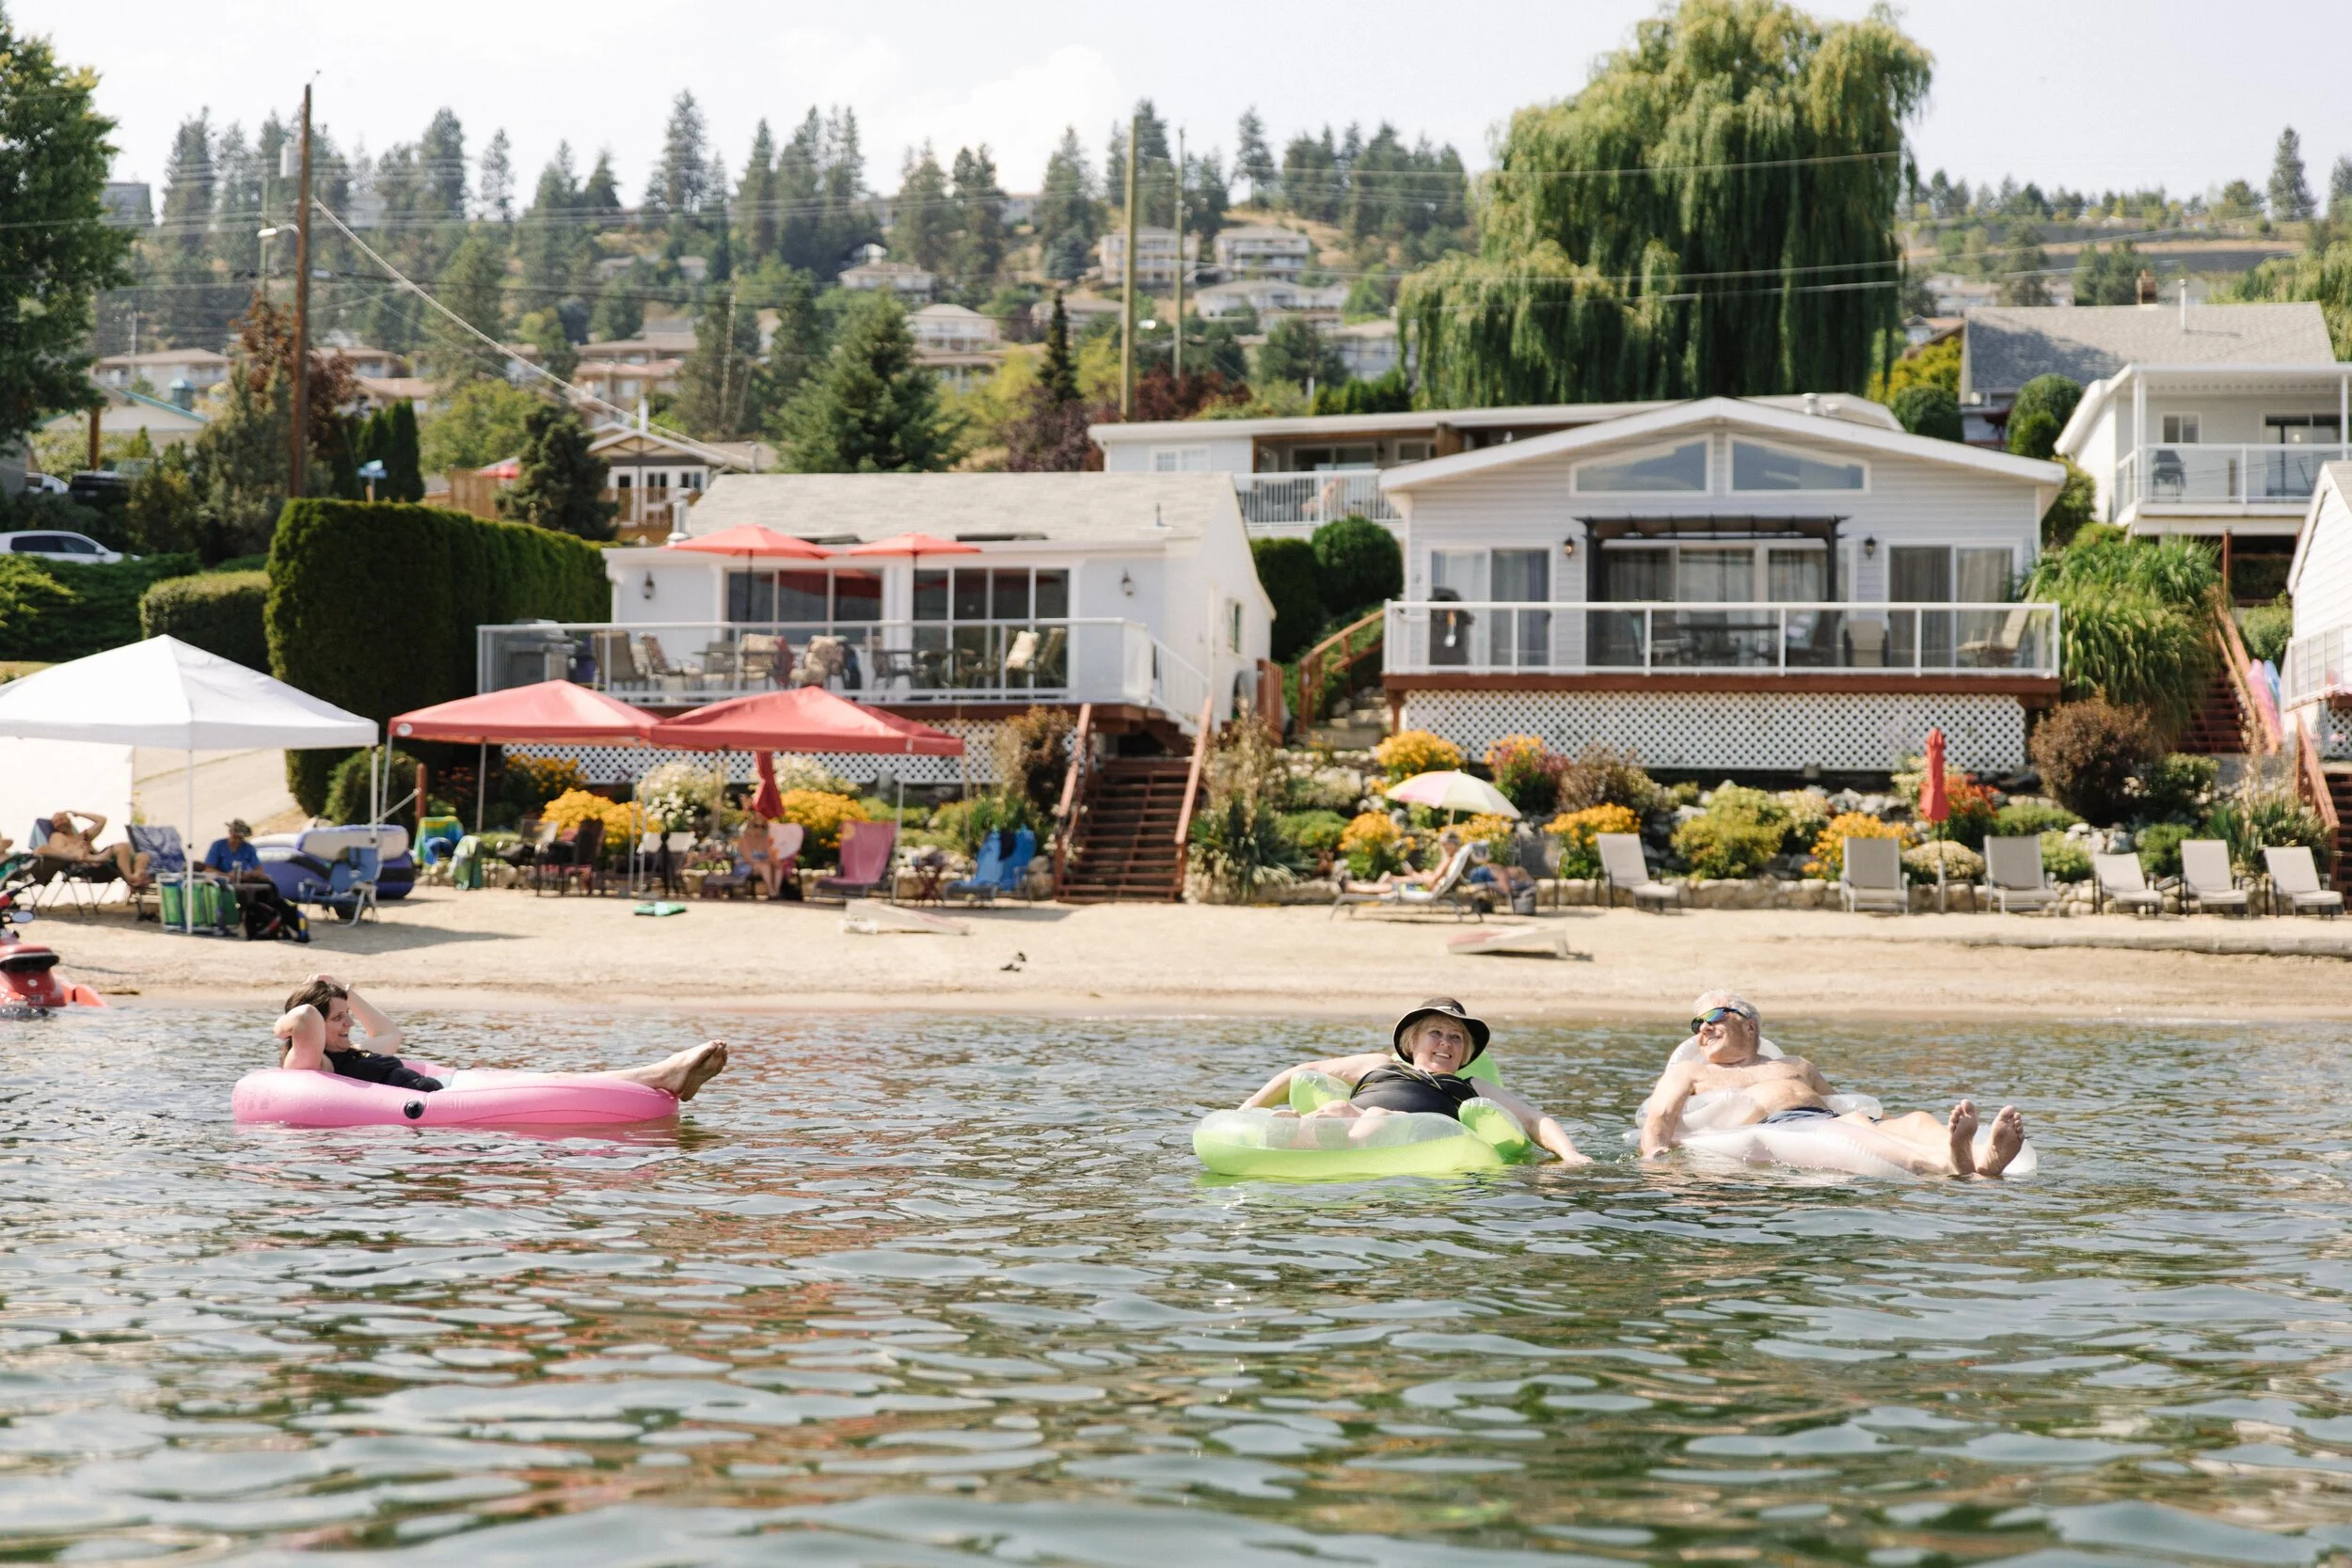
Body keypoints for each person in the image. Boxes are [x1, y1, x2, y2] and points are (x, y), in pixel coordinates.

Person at [1639, 990, 2026, 1178]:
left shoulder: (1795, 1064)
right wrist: (1655, 1158)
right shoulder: (1692, 1072)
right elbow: (1662, 1112)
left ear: (1750, 1025)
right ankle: (1955, 1166)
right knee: (1857, 1129)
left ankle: (1972, 1155)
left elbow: (1842, 1102)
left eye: (1715, 1015)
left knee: (1917, 1120)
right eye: (1697, 1024)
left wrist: (1893, 1122)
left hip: (1833, 1117)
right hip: (1787, 1125)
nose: (1704, 1027)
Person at [1237, 997, 1590, 1164]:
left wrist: (1570, 1155)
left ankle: (1325, 1148)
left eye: (1456, 1038)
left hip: (1409, 1128)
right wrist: (1251, 1106)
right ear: (1412, 1043)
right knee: (1339, 1105)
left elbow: (1533, 1119)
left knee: (1378, 1116)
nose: (1445, 1043)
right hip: (1353, 1115)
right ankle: (1294, 1133)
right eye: (1435, 1033)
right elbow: (1303, 1069)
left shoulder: (1470, 1085)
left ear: (1465, 1052)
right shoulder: (1376, 1064)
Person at [271, 975, 732, 1100]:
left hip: (446, 1091)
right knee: (555, 1082)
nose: (347, 1025)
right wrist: (289, 1022)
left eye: (346, 1017)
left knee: (555, 1075)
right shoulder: (315, 1065)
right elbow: (308, 1018)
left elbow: (389, 1031)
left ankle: (665, 1074)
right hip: (443, 1109)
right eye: (339, 1020)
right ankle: (664, 1073)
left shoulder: (351, 1051)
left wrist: (347, 993)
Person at [37, 811, 150, 887]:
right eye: (55, 822)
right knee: (121, 846)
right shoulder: (57, 836)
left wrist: (79, 814)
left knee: (143, 855)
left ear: (69, 820)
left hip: (106, 863)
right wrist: (78, 847)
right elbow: (59, 853)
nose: (58, 822)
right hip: (89, 868)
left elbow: (102, 820)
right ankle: (130, 878)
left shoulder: (82, 836)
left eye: (61, 818)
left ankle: (137, 875)